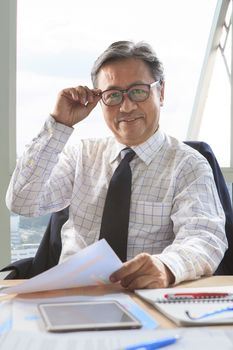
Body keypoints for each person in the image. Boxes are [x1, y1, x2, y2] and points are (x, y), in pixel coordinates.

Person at [6, 40, 227, 290]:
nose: (127, 106)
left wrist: (166, 267)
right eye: (113, 95)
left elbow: (204, 237)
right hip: (71, 297)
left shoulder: (188, 164)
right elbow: (22, 201)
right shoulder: (81, 156)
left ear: (161, 92)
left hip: (148, 297)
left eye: (138, 91)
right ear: (100, 101)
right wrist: (59, 124)